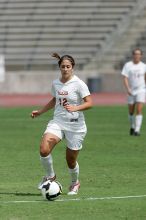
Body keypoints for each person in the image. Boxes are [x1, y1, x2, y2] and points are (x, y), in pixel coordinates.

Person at [31, 53, 92, 195]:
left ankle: (74, 183)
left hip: (75, 126)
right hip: (57, 122)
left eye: (68, 66)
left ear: (73, 68)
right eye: (63, 66)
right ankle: (51, 176)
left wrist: (75, 108)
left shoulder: (79, 84)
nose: (65, 69)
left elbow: (89, 103)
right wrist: (40, 111)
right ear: (59, 67)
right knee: (44, 149)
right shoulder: (56, 83)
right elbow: (55, 100)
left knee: (70, 160)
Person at [121, 48, 146, 136]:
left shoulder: (143, 66)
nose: (137, 55)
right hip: (131, 90)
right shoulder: (128, 65)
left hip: (141, 89)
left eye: (138, 54)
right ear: (133, 55)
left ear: (141, 55)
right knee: (131, 111)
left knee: (139, 109)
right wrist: (128, 89)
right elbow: (125, 77)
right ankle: (132, 126)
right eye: (135, 54)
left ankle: (137, 130)